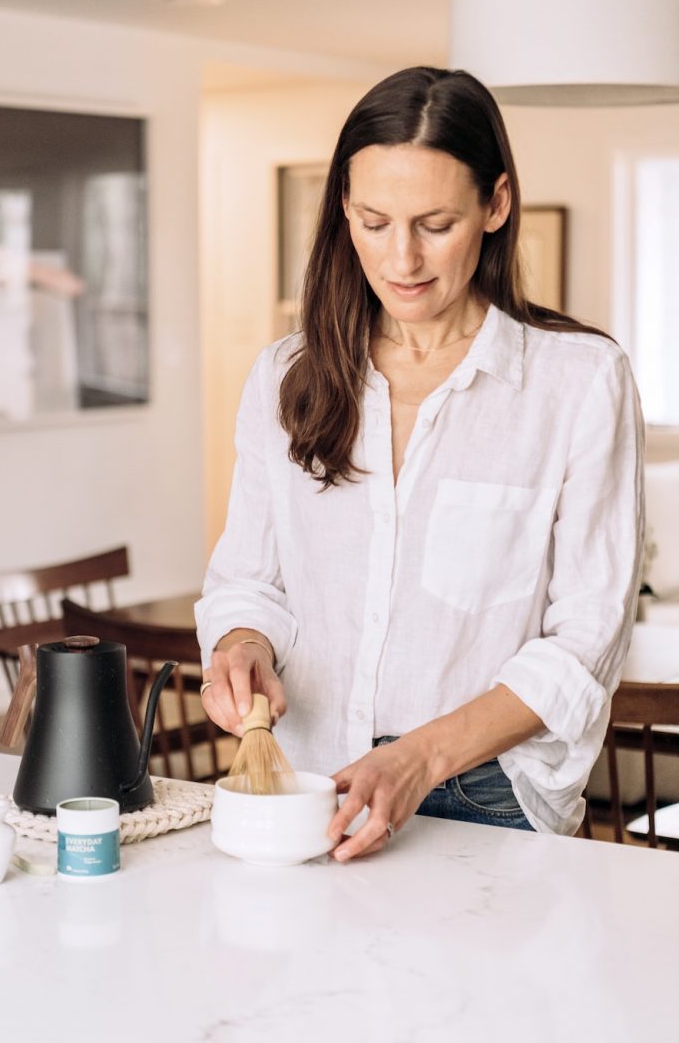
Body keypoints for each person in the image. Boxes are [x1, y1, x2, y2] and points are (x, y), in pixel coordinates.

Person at [195, 66, 644, 861]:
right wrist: (243, 648)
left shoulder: (577, 382)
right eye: (373, 221)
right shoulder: (284, 376)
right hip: (307, 778)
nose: (402, 258)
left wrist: (422, 757)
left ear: (496, 205)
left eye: (435, 223)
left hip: (489, 794)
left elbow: (587, 635)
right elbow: (249, 582)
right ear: (343, 209)